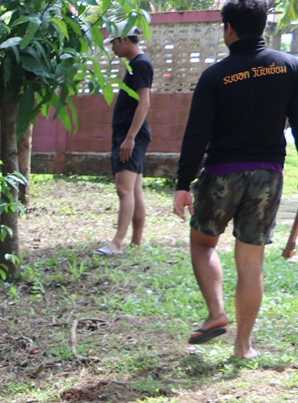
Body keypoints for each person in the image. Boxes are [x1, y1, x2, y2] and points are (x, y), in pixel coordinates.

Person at [174, 0, 298, 358]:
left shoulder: (216, 76)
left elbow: (197, 134)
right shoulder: (289, 67)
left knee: (202, 244)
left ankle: (216, 313)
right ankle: (243, 347)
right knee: (250, 263)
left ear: (229, 28)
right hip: (268, 176)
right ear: (263, 27)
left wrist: (183, 184)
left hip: (221, 174)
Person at [96, 30, 152, 257]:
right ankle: (136, 242)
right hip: (130, 134)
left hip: (131, 136)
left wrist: (129, 138)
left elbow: (144, 103)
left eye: (114, 43)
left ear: (125, 40)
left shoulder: (140, 64)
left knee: (124, 190)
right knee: (135, 189)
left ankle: (117, 243)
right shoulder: (136, 64)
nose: (112, 48)